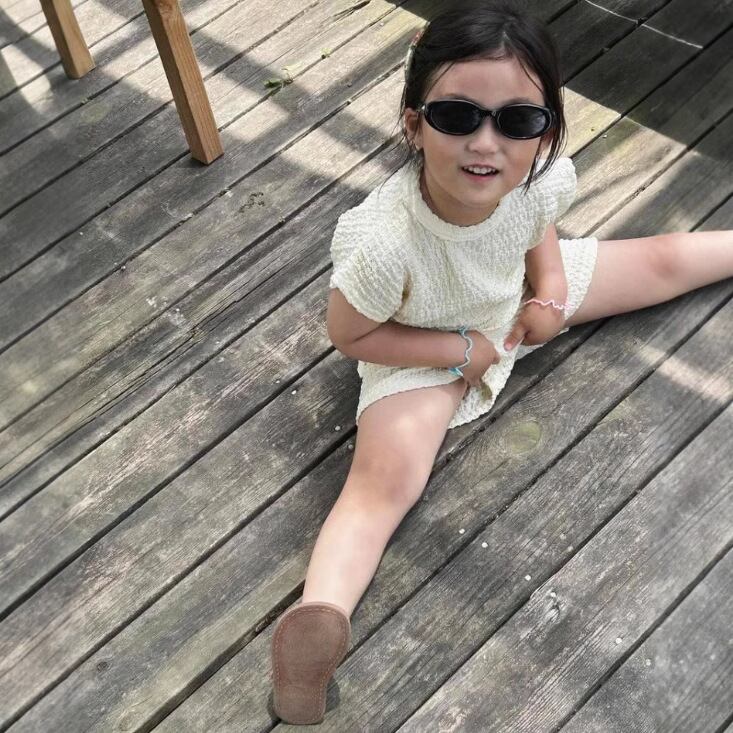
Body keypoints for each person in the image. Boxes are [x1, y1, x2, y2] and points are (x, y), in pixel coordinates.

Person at [269, 1, 733, 724]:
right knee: (384, 483)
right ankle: (316, 626)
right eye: (458, 116)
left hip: (509, 298)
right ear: (413, 123)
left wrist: (548, 289)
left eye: (518, 120)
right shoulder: (382, 242)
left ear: (544, 128)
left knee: (664, 259)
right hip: (418, 341)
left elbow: (535, 221)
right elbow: (351, 334)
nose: (486, 143)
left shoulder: (535, 177)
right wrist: (457, 350)